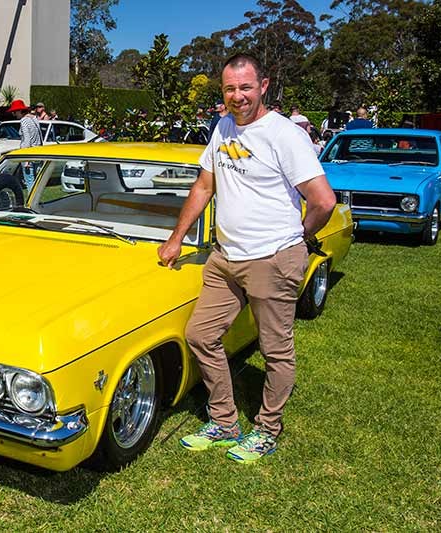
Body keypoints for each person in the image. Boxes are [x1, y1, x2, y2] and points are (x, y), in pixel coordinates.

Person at [158, 54, 336, 463]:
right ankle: (224, 422)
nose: (238, 96)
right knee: (201, 335)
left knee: (276, 350)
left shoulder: (285, 134)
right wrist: (175, 239)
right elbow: (204, 186)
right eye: (230, 88)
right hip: (225, 257)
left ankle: (267, 429)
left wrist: (295, 238)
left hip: (272, 259)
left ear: (264, 86)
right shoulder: (222, 128)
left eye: (245, 87)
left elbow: (323, 201)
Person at [6, 99, 43, 189]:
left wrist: (26, 159)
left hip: (29, 155)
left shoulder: (24, 121)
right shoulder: (34, 119)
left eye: (14, 112)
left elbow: (26, 140)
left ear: (19, 111)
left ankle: (31, 202)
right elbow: (40, 136)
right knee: (37, 181)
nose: (14, 114)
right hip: (37, 153)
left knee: (30, 181)